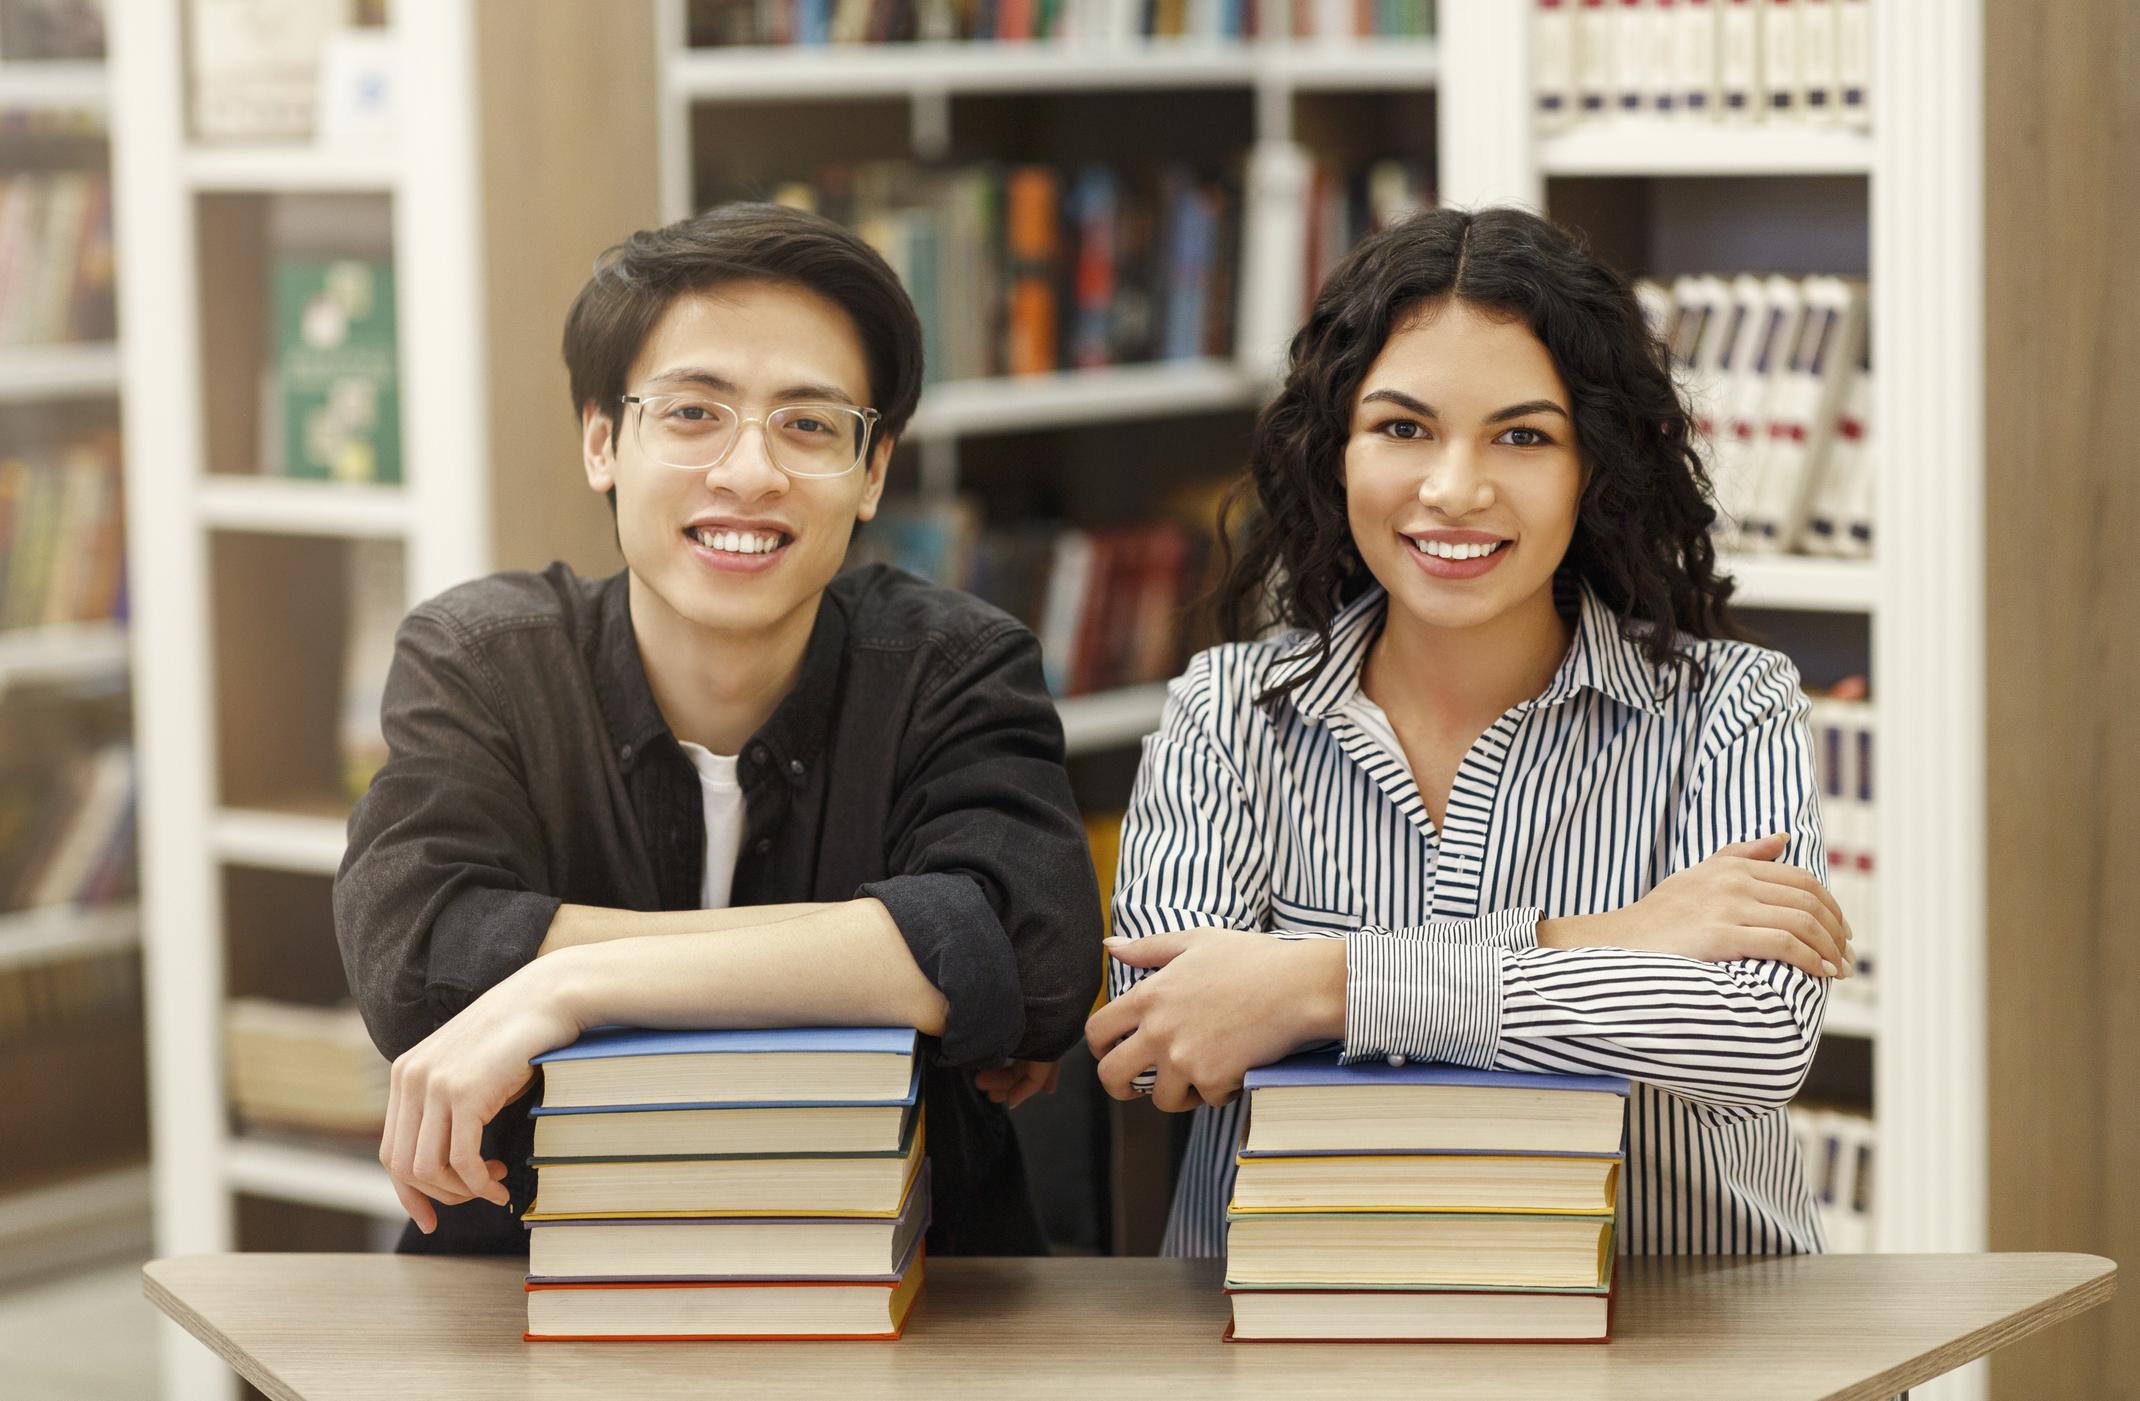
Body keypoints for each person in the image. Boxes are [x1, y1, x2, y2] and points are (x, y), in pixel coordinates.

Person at [333, 202, 1100, 1257]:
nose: (750, 472)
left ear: (873, 472)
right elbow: (419, 961)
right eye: (693, 413)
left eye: (810, 424)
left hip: (909, 1293)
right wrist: (889, 966)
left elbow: (1031, 957)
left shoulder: (952, 667)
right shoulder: (484, 661)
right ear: (603, 441)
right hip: (527, 1286)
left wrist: (563, 980)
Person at [1085, 206, 1853, 1258]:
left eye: (1523, 436)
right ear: (1335, 452)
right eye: (1403, 429)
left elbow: (1751, 1036)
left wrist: (1318, 985)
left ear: (1597, 466)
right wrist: (1598, 941)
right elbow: (1160, 1037)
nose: (1455, 490)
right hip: (1295, 1326)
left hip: (1683, 1332)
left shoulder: (1732, 704)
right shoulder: (1225, 712)